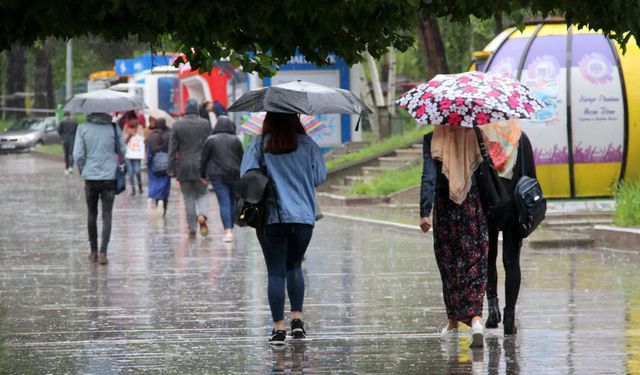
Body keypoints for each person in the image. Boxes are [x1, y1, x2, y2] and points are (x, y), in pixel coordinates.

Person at [240, 112, 327, 345]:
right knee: (295, 265)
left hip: (270, 217)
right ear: (295, 119)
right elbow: (319, 176)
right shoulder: (308, 144)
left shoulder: (258, 145)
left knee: (275, 272)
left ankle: (278, 329)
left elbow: (246, 178)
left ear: (268, 120)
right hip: (302, 218)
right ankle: (297, 322)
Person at [419, 125, 488, 348]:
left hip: (445, 207)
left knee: (449, 264)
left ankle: (453, 325)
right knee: (474, 261)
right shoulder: (476, 135)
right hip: (472, 205)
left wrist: (424, 212)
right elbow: (487, 172)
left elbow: (428, 176)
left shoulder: (432, 138)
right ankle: (476, 320)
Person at [484, 125, 537, 335]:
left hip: (488, 204)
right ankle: (509, 316)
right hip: (514, 206)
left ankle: (492, 307)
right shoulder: (520, 138)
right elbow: (531, 176)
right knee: (511, 261)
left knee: (488, 258)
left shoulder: (482, 138)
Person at [73, 112, 125, 265]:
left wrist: (83, 170)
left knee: (91, 213)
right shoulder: (114, 128)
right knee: (107, 215)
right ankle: (103, 252)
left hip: (91, 178)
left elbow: (78, 155)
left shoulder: (82, 128)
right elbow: (122, 150)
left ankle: (93, 251)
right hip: (109, 177)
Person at [168, 99, 212, 238]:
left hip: (184, 167)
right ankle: (202, 215)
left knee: (188, 198)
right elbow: (209, 145)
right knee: (202, 194)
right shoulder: (205, 124)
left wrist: (171, 169)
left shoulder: (177, 125)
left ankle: (192, 229)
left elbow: (172, 149)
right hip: (201, 166)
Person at [200, 116, 243, 242]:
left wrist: (203, 174)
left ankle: (227, 231)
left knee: (224, 202)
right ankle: (231, 228)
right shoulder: (235, 140)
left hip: (217, 176)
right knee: (232, 201)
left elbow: (204, 159)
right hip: (235, 174)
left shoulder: (211, 140)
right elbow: (242, 157)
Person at [146, 118, 172, 216]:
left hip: (154, 166)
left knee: (155, 184)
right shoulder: (169, 135)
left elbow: (149, 152)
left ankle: (156, 200)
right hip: (166, 165)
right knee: (165, 185)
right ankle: (163, 204)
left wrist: (148, 163)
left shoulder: (151, 136)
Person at [124, 118, 145, 196]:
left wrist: (137, 134)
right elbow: (123, 141)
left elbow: (143, 140)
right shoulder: (126, 128)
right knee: (130, 172)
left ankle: (139, 185)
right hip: (129, 155)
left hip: (137, 154)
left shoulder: (140, 128)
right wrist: (129, 135)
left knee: (137, 170)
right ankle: (133, 189)